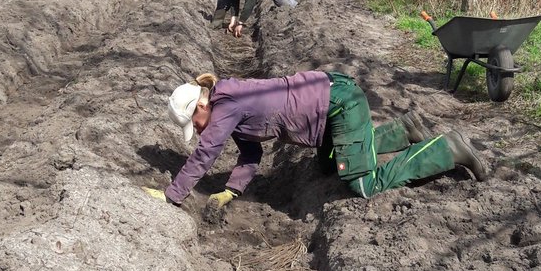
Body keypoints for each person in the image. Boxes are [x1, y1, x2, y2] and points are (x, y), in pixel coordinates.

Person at [142, 70, 487, 209]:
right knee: (327, 165)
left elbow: (206, 153)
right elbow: (250, 150)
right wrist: (231, 190)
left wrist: (173, 195)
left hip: (339, 104)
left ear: (201, 105)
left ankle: (448, 148)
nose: (200, 131)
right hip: (327, 106)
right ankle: (403, 131)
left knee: (362, 184)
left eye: (196, 124)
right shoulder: (229, 102)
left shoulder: (225, 104)